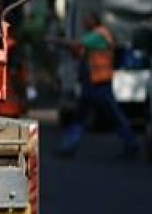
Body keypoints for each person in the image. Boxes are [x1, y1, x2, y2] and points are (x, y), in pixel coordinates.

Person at [55, 11, 139, 158]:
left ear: (94, 21)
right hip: (93, 82)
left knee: (110, 115)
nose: (84, 23)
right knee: (84, 116)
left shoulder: (99, 34)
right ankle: (68, 146)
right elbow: (80, 51)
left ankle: (131, 142)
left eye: (86, 20)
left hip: (100, 83)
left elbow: (77, 44)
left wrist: (55, 40)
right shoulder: (96, 36)